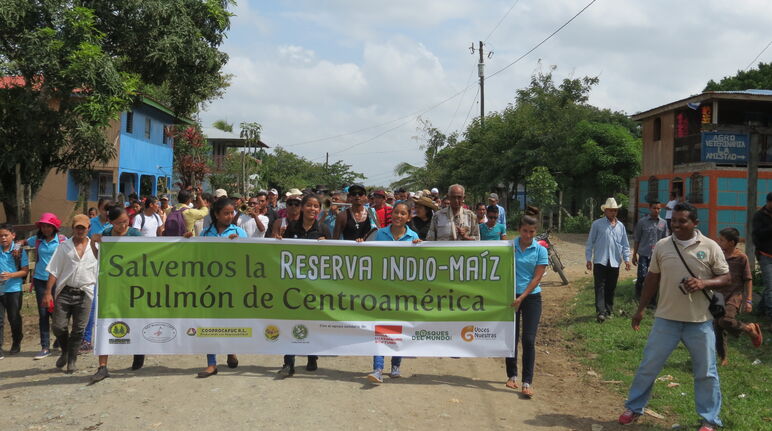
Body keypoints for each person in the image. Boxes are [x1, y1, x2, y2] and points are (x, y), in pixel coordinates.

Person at [618, 203, 730, 431]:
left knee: (706, 372)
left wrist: (703, 283)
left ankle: (709, 420)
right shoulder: (662, 246)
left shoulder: (710, 247)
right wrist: (640, 310)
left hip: (699, 322)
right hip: (666, 319)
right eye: (674, 221)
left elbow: (726, 278)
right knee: (649, 365)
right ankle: (633, 407)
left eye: (682, 221)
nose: (676, 225)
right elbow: (652, 279)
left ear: (695, 223)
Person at [366, 202, 421, 383]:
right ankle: (378, 369)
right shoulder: (380, 234)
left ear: (408, 217)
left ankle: (396, 364)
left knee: (399, 327)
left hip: (403, 291)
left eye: (403, 213)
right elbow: (368, 255)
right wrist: (359, 244)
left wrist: (420, 246)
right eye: (396, 212)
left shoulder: (413, 237)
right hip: (382, 289)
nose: (398, 216)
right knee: (380, 327)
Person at [89, 206, 144, 382]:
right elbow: (100, 258)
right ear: (111, 222)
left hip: (133, 285)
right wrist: (93, 243)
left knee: (134, 319)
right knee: (106, 320)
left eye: (125, 221)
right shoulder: (107, 233)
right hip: (111, 285)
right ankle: (103, 365)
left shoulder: (135, 235)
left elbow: (147, 254)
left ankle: (138, 349)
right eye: (119, 223)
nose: (122, 225)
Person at [278, 193, 330, 377]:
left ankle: (312, 356)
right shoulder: (291, 227)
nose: (313, 209)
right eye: (309, 205)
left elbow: (332, 257)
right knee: (289, 322)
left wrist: (326, 245)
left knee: (313, 322)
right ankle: (288, 362)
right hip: (292, 285)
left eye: (317, 206)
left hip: (314, 287)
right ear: (302, 207)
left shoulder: (324, 228)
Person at [196, 197, 247, 378]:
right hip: (210, 285)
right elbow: (198, 256)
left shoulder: (240, 232)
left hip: (231, 286)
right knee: (210, 323)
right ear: (216, 214)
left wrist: (237, 245)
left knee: (229, 321)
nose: (229, 216)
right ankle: (211, 363)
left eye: (232, 213)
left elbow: (248, 259)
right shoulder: (204, 234)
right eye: (226, 213)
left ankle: (230, 350)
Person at [41, 215, 96, 373]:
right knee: (58, 326)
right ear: (72, 228)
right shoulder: (64, 247)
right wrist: (48, 293)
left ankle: (72, 359)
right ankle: (65, 351)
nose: (80, 231)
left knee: (79, 329)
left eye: (83, 228)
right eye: (77, 227)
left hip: (85, 292)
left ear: (88, 229)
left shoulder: (96, 247)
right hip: (65, 291)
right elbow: (54, 270)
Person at [504, 214, 548, 397]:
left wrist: (522, 296)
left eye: (531, 232)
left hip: (531, 297)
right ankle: (512, 375)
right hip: (509, 297)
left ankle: (527, 381)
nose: (528, 235)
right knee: (511, 338)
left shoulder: (540, 251)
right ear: (519, 230)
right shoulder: (508, 247)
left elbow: (537, 277)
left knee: (529, 340)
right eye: (524, 231)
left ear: (536, 232)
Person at [714, 227, 763, 366]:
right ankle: (723, 357)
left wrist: (748, 300)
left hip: (734, 295)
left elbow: (748, 279)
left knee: (725, 320)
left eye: (721, 240)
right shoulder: (718, 255)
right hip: (718, 296)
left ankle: (749, 329)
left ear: (731, 242)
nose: (719, 242)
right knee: (717, 326)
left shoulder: (742, 258)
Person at [26, 213, 67, 360]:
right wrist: (17, 246)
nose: (45, 228)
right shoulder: (36, 240)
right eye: (43, 226)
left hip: (57, 281)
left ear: (54, 227)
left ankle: (62, 341)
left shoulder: (62, 241)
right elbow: (21, 242)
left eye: (48, 226)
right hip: (40, 280)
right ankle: (45, 346)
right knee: (43, 314)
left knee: (58, 313)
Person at [585, 197, 631, 322]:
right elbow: (590, 242)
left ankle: (608, 310)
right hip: (600, 260)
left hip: (615, 261)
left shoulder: (620, 226)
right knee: (599, 286)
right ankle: (600, 312)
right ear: (605, 211)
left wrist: (627, 259)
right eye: (610, 210)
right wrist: (588, 259)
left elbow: (625, 244)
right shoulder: (597, 224)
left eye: (615, 211)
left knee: (611, 287)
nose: (613, 213)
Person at [0, 224, 30, 358]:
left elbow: (25, 271)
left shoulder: (18, 251)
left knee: (14, 317)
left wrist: (10, 275)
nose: (3, 238)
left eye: (6, 235)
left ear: (13, 235)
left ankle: (16, 341)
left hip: (13, 289)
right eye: (0, 236)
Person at [632, 201, 667, 302]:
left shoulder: (663, 223)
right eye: (654, 208)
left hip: (657, 256)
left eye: (658, 208)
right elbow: (637, 239)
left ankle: (652, 300)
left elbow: (665, 240)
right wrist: (634, 255)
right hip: (644, 254)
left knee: (654, 278)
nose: (656, 210)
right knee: (642, 276)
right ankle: (638, 296)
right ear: (650, 208)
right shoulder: (642, 222)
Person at [752, 191, 772, 317]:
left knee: (770, 286)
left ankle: (761, 309)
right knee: (771, 286)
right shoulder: (759, 216)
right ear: (769, 202)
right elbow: (757, 234)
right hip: (765, 255)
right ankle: (770, 315)